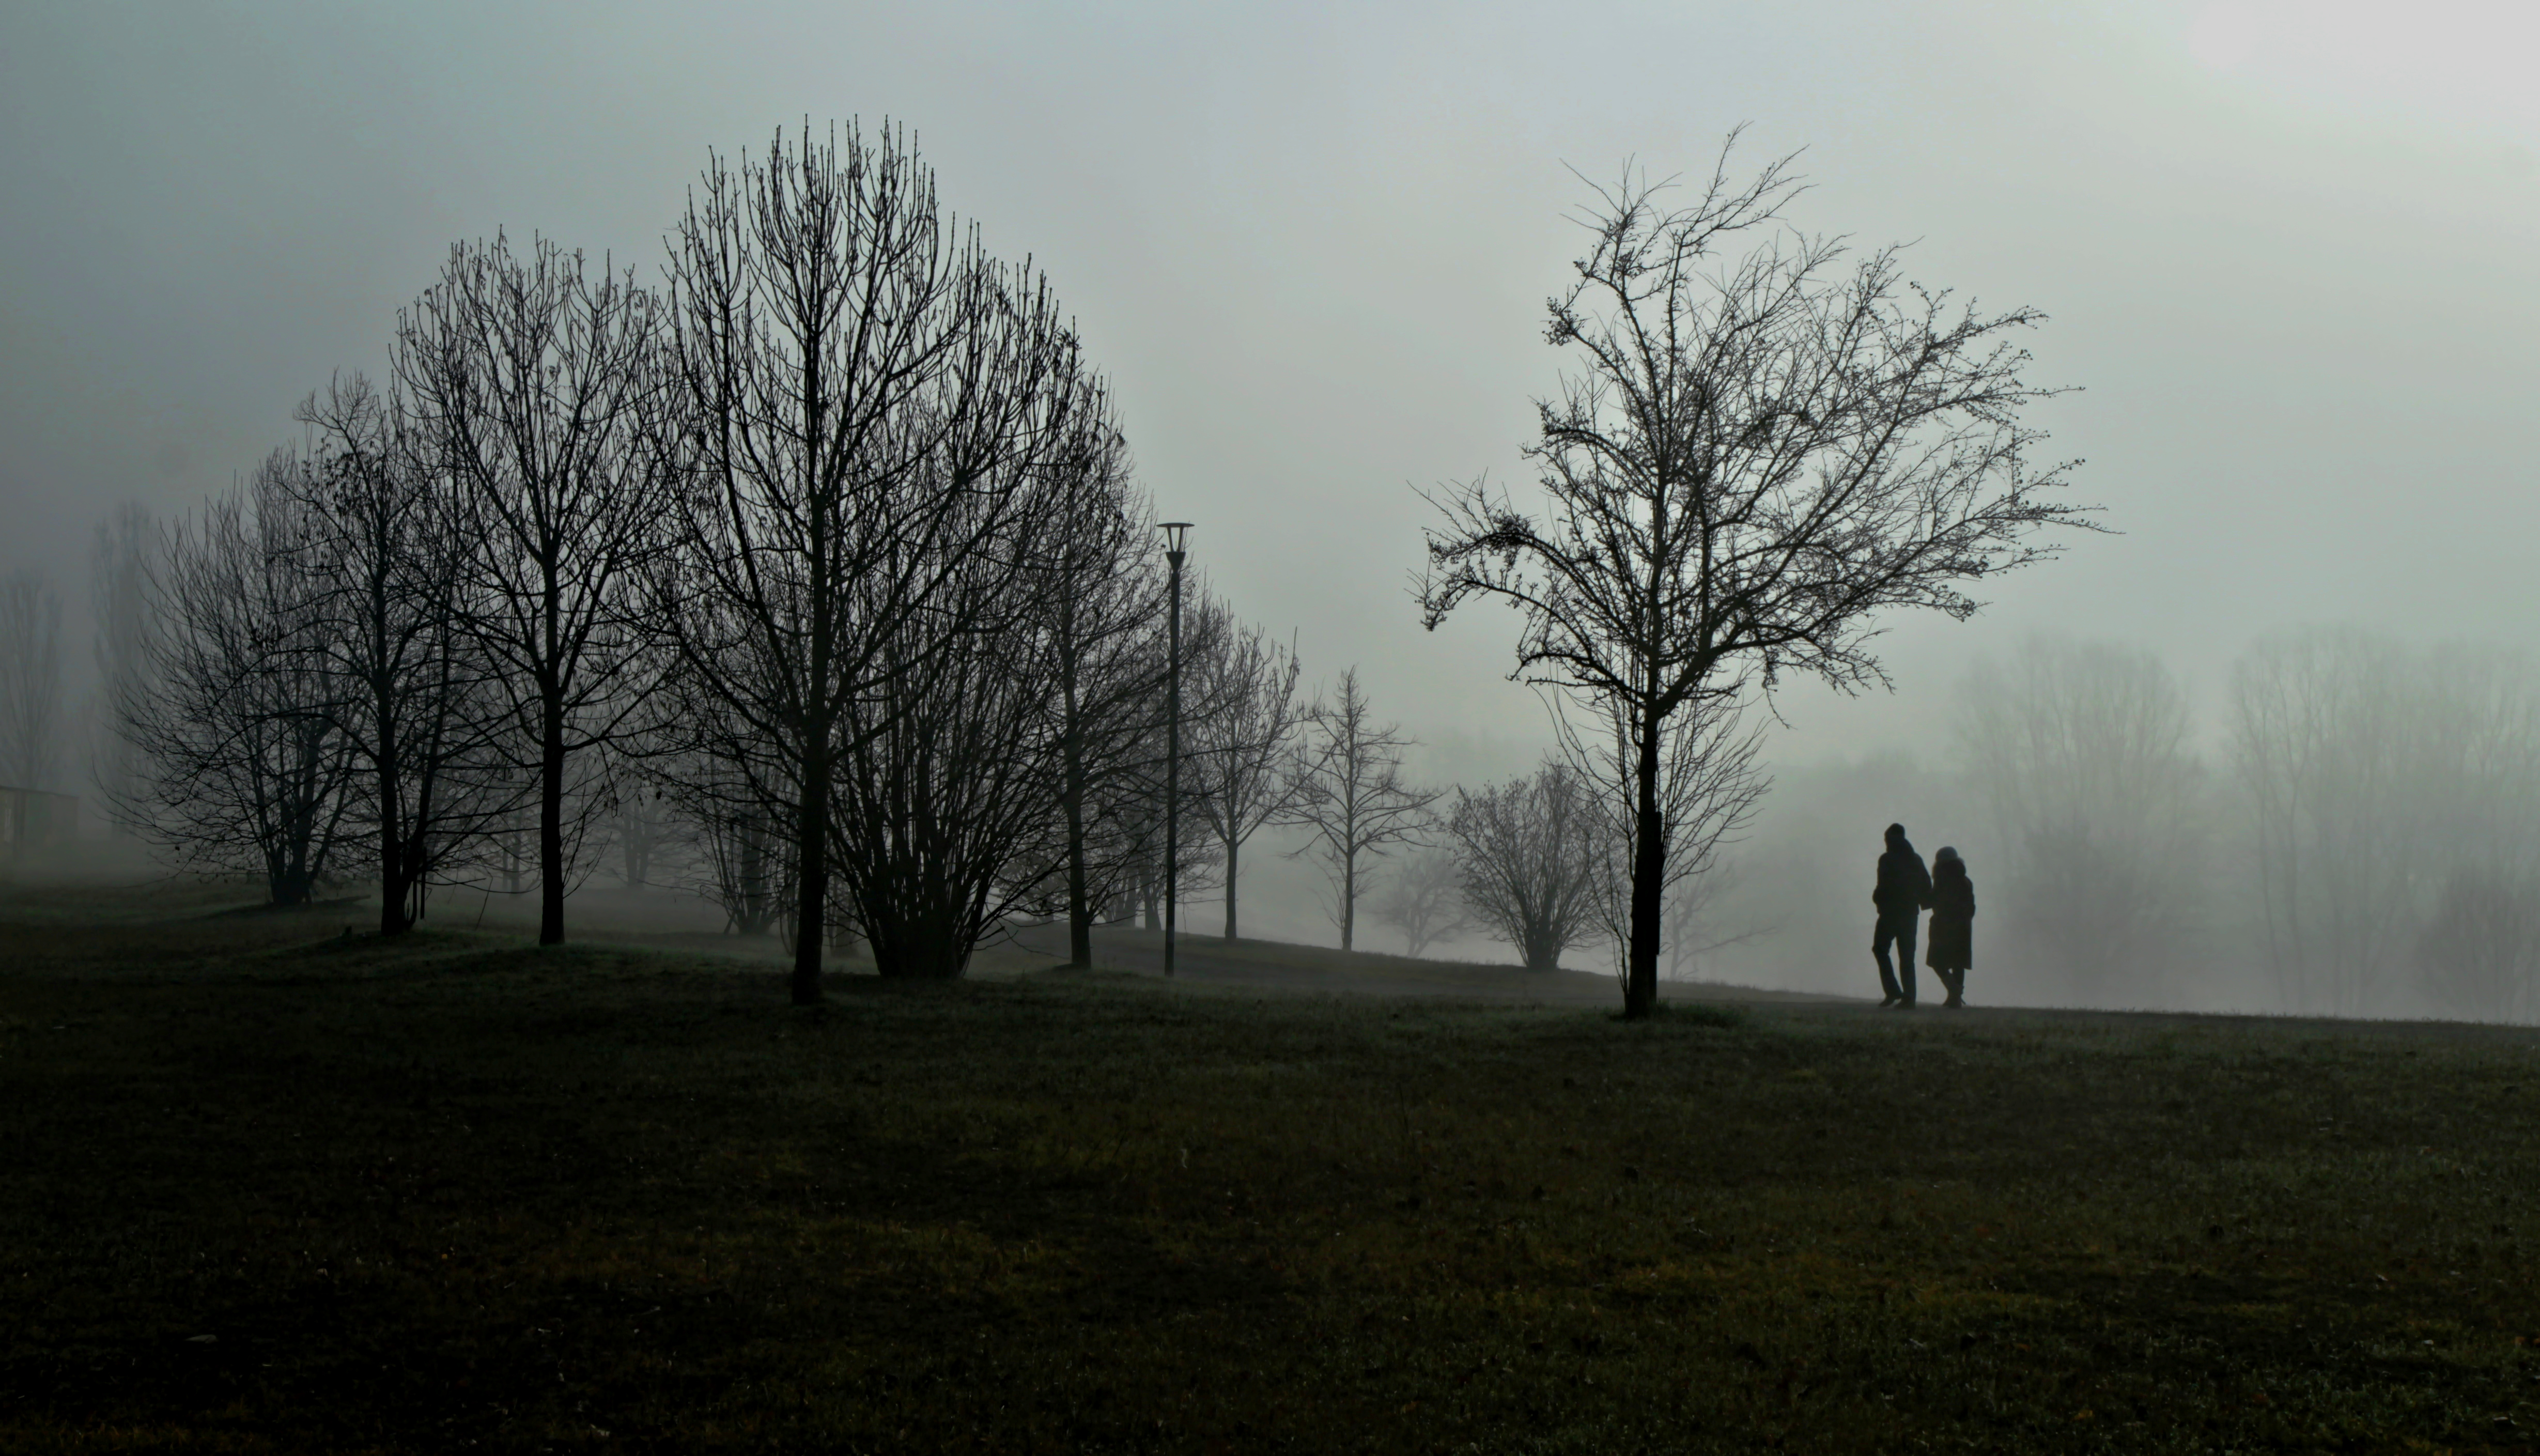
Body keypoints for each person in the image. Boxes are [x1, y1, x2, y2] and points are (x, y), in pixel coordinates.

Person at [1871, 823, 1931, 1008]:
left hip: (1890, 913)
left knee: (1880, 950)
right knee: (1907, 957)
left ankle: (1893, 992)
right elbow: (1926, 885)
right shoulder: (1915, 859)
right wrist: (1922, 903)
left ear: (1889, 839)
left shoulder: (1887, 859)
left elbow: (1883, 886)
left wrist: (1878, 901)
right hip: (1910, 914)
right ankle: (1909, 997)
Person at [1926, 845, 1975, 1009]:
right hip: (1963, 928)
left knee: (1936, 960)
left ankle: (1954, 991)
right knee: (1958, 963)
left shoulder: (1942, 880)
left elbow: (1933, 901)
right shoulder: (1966, 881)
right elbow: (1971, 907)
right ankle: (1955, 998)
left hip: (1943, 926)